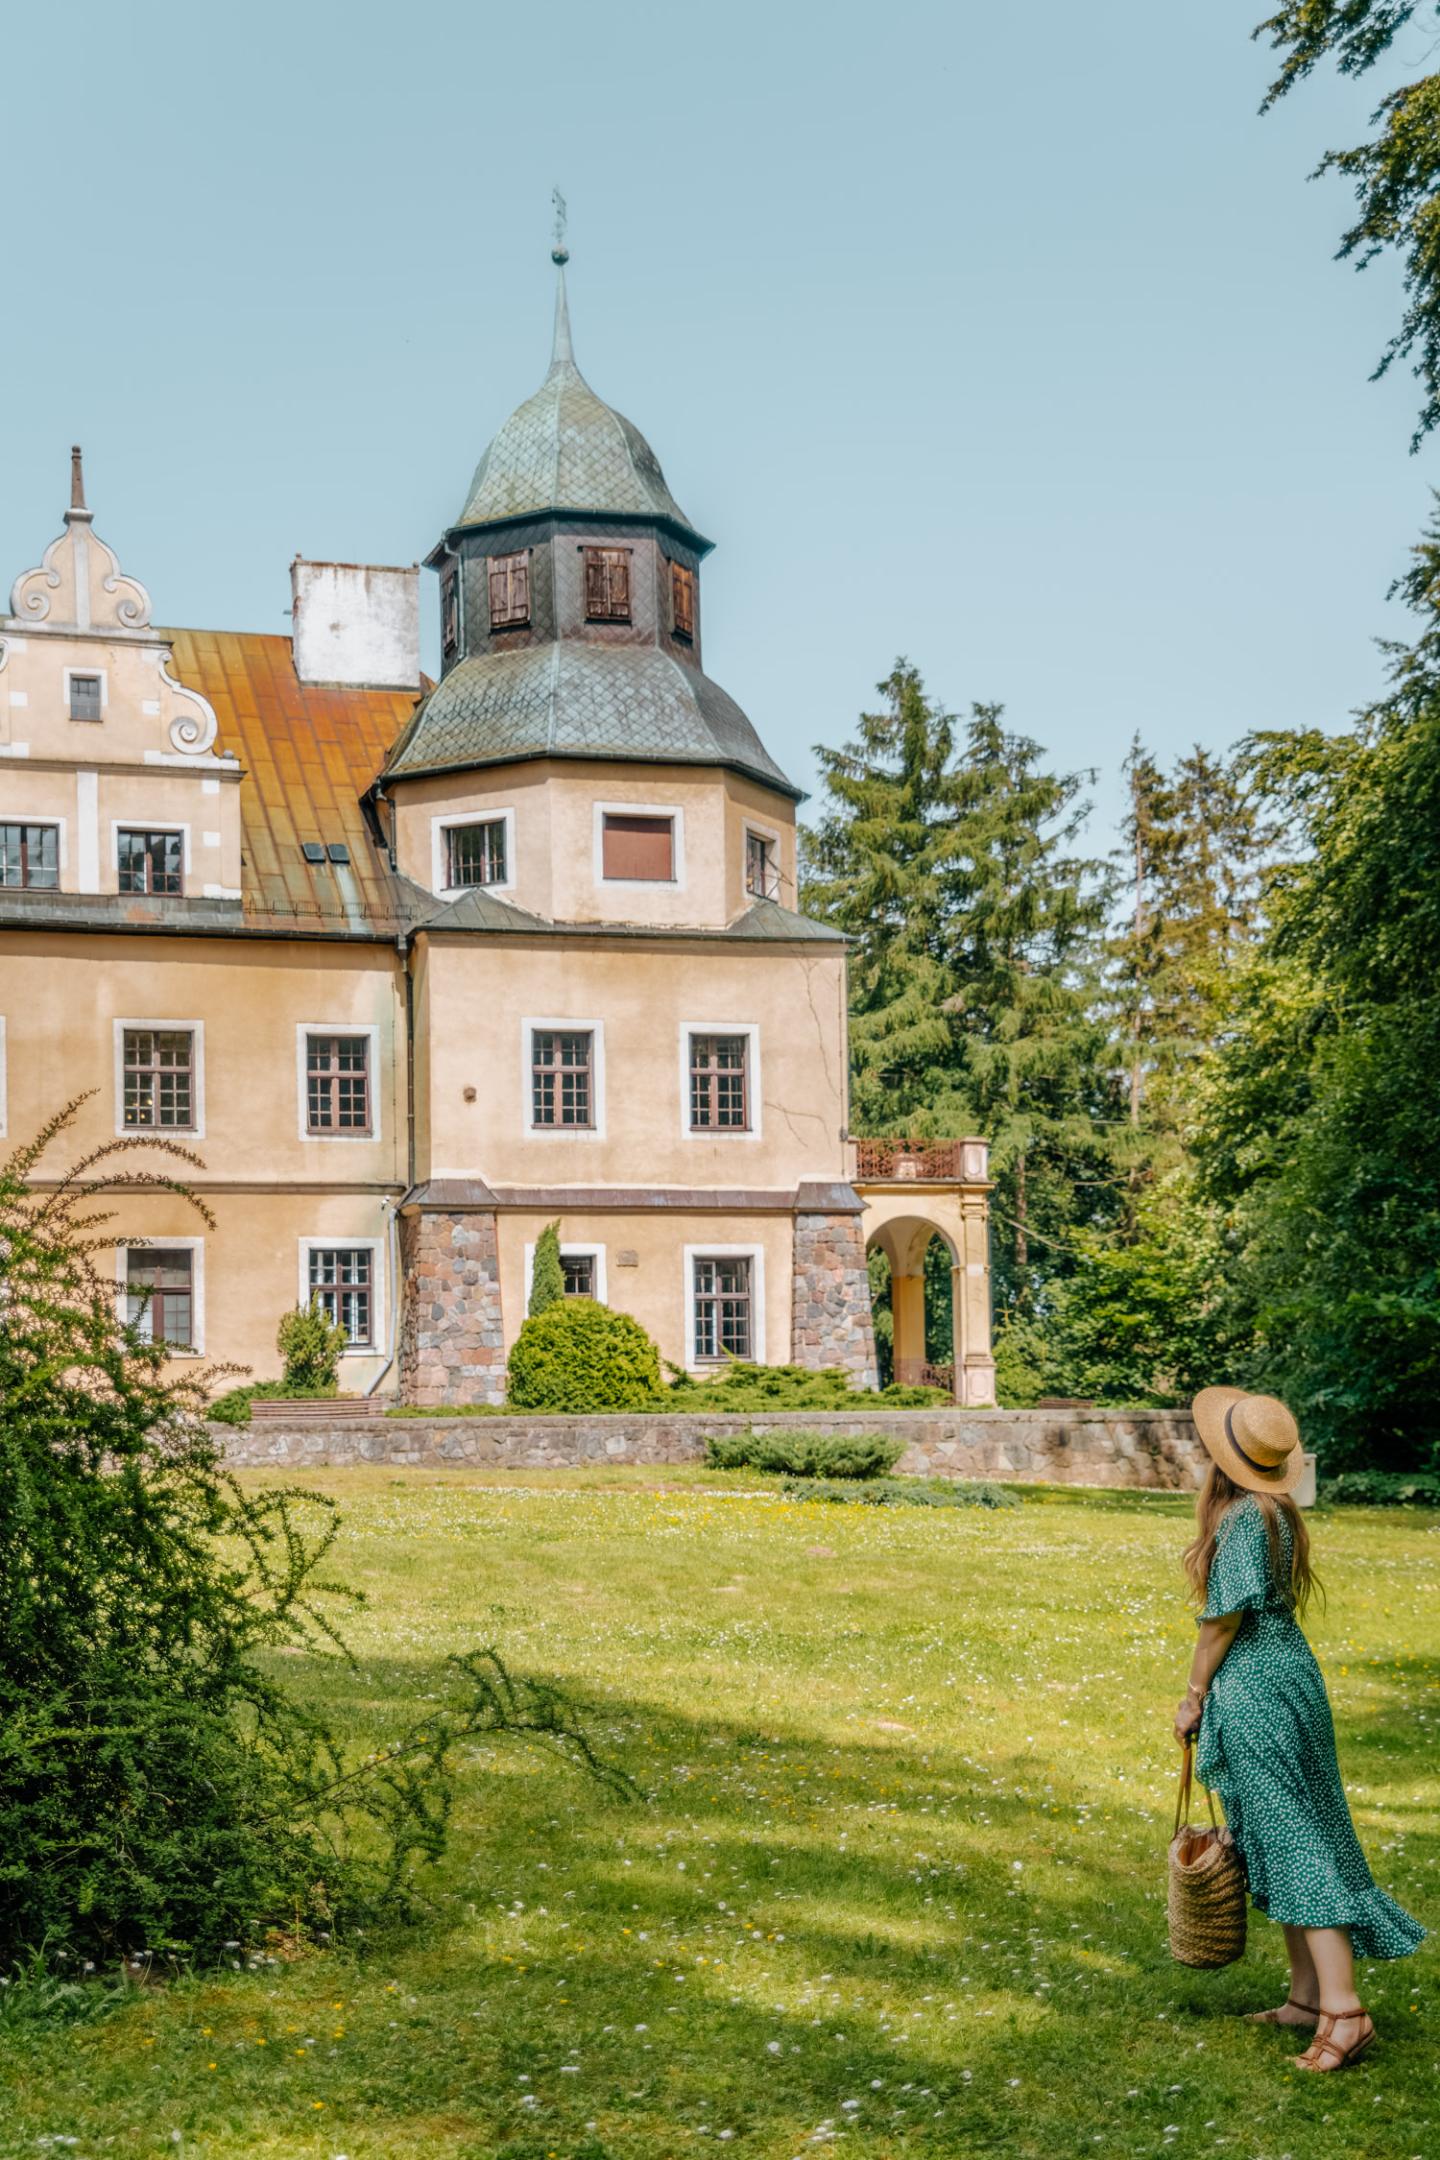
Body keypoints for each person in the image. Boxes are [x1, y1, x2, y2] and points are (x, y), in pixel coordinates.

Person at [1173, 1387, 1425, 2073]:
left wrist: (1193, 1696)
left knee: (1296, 1841)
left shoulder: (1242, 1518)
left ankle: (1344, 2012)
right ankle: (1307, 1999)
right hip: (1292, 1674)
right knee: (1291, 1833)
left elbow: (1222, 1621)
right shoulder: (1277, 1511)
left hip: (1257, 1682)